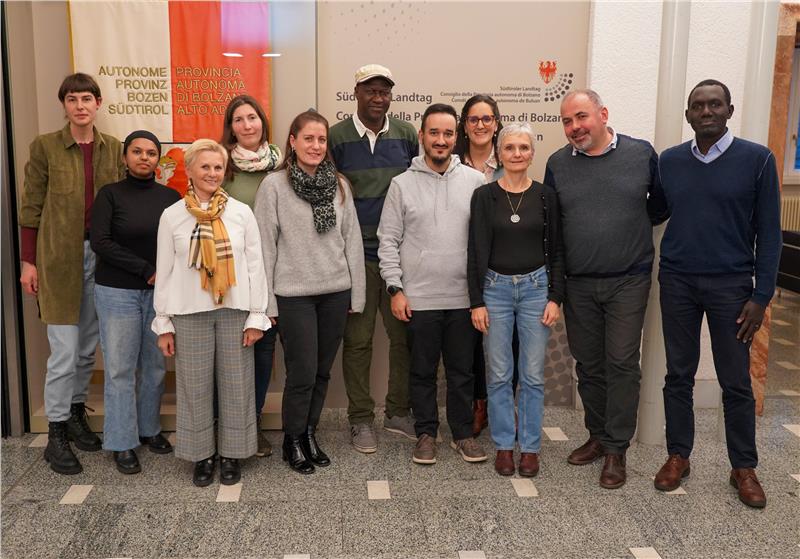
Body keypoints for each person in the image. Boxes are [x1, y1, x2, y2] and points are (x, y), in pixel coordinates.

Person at [652, 79, 781, 508]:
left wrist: (762, 296)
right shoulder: (670, 161)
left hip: (732, 287)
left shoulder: (758, 159)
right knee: (678, 374)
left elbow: (770, 234)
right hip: (678, 281)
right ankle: (678, 455)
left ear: (729, 110)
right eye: (698, 106)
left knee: (736, 380)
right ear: (688, 115)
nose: (706, 111)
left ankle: (743, 466)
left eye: (714, 104)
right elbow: (655, 209)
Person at [544, 89, 662, 489]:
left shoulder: (641, 154)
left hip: (629, 279)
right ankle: (597, 435)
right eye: (566, 121)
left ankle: (616, 449)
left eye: (581, 117)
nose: (574, 127)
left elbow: (659, 207)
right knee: (588, 365)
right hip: (579, 283)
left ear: (603, 114)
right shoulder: (557, 164)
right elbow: (555, 227)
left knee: (622, 363)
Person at [18, 73, 125, 475]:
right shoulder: (45, 146)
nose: (80, 106)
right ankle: (57, 433)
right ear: (64, 105)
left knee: (85, 349)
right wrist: (29, 262)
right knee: (63, 352)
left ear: (98, 104)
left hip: (102, 260)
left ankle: (77, 412)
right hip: (58, 261)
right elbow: (31, 207)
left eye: (86, 99)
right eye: (72, 99)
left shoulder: (113, 148)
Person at [152, 139, 269, 487]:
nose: (212, 173)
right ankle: (201, 455)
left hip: (234, 311)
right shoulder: (172, 216)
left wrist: (257, 315)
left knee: (236, 385)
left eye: (218, 167)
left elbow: (255, 266)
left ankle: (232, 454)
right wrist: (164, 323)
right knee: (194, 387)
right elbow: (165, 270)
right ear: (189, 170)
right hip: (189, 313)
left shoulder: (240, 213)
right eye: (205, 166)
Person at [255, 110, 365, 474]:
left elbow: (352, 241)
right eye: (308, 139)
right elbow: (265, 246)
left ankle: (309, 433)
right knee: (301, 372)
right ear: (293, 141)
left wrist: (357, 295)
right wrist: (267, 302)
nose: (315, 146)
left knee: (321, 372)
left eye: (321, 140)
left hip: (335, 291)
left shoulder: (340, 185)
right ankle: (292, 439)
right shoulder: (274, 186)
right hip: (294, 295)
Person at [378, 103, 487, 465]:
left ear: (457, 137)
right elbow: (388, 240)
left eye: (448, 133)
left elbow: (484, 242)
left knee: (461, 372)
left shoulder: (475, 182)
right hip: (419, 298)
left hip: (463, 298)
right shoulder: (401, 184)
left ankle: (462, 434)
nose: (441, 140)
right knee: (422, 372)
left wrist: (480, 295)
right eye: (434, 133)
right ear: (422, 135)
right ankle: (426, 433)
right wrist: (395, 289)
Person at [329, 64, 418, 452]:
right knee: (358, 341)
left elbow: (417, 186)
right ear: (356, 93)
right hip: (358, 256)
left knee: (404, 339)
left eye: (384, 92)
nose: (378, 98)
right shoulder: (336, 137)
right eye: (371, 91)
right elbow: (329, 194)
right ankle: (360, 419)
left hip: (399, 256)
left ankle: (398, 411)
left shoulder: (406, 134)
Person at [469, 123, 565, 477]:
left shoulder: (546, 196)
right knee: (498, 374)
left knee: (533, 375)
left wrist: (555, 297)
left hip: (536, 290)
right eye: (510, 147)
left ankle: (531, 448)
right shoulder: (484, 196)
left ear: (532, 153)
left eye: (524, 147)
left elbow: (558, 251)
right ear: (499, 154)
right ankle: (504, 446)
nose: (517, 154)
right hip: (494, 290)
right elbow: (474, 251)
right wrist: (476, 301)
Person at [90, 130, 180, 474]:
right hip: (117, 293)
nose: (144, 157)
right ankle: (121, 441)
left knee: (155, 366)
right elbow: (100, 242)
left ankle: (149, 429)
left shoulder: (171, 197)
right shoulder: (109, 194)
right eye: (137, 152)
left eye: (151, 153)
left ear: (159, 159)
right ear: (125, 157)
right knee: (120, 369)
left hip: (159, 295)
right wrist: (146, 270)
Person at [454, 94, 520, 436]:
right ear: (464, 125)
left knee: (508, 341)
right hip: (459, 261)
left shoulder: (509, 160)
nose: (480, 125)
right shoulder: (450, 162)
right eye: (473, 119)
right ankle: (479, 403)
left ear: (496, 123)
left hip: (503, 264)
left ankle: (504, 405)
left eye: (487, 119)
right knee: (470, 342)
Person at [221, 94, 283, 458]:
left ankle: (253, 424)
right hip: (233, 277)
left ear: (263, 121)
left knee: (263, 355)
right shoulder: (222, 167)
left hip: (275, 275)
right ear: (231, 128)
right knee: (235, 355)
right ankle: (230, 425)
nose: (247, 125)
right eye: (239, 119)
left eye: (252, 117)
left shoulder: (281, 166)